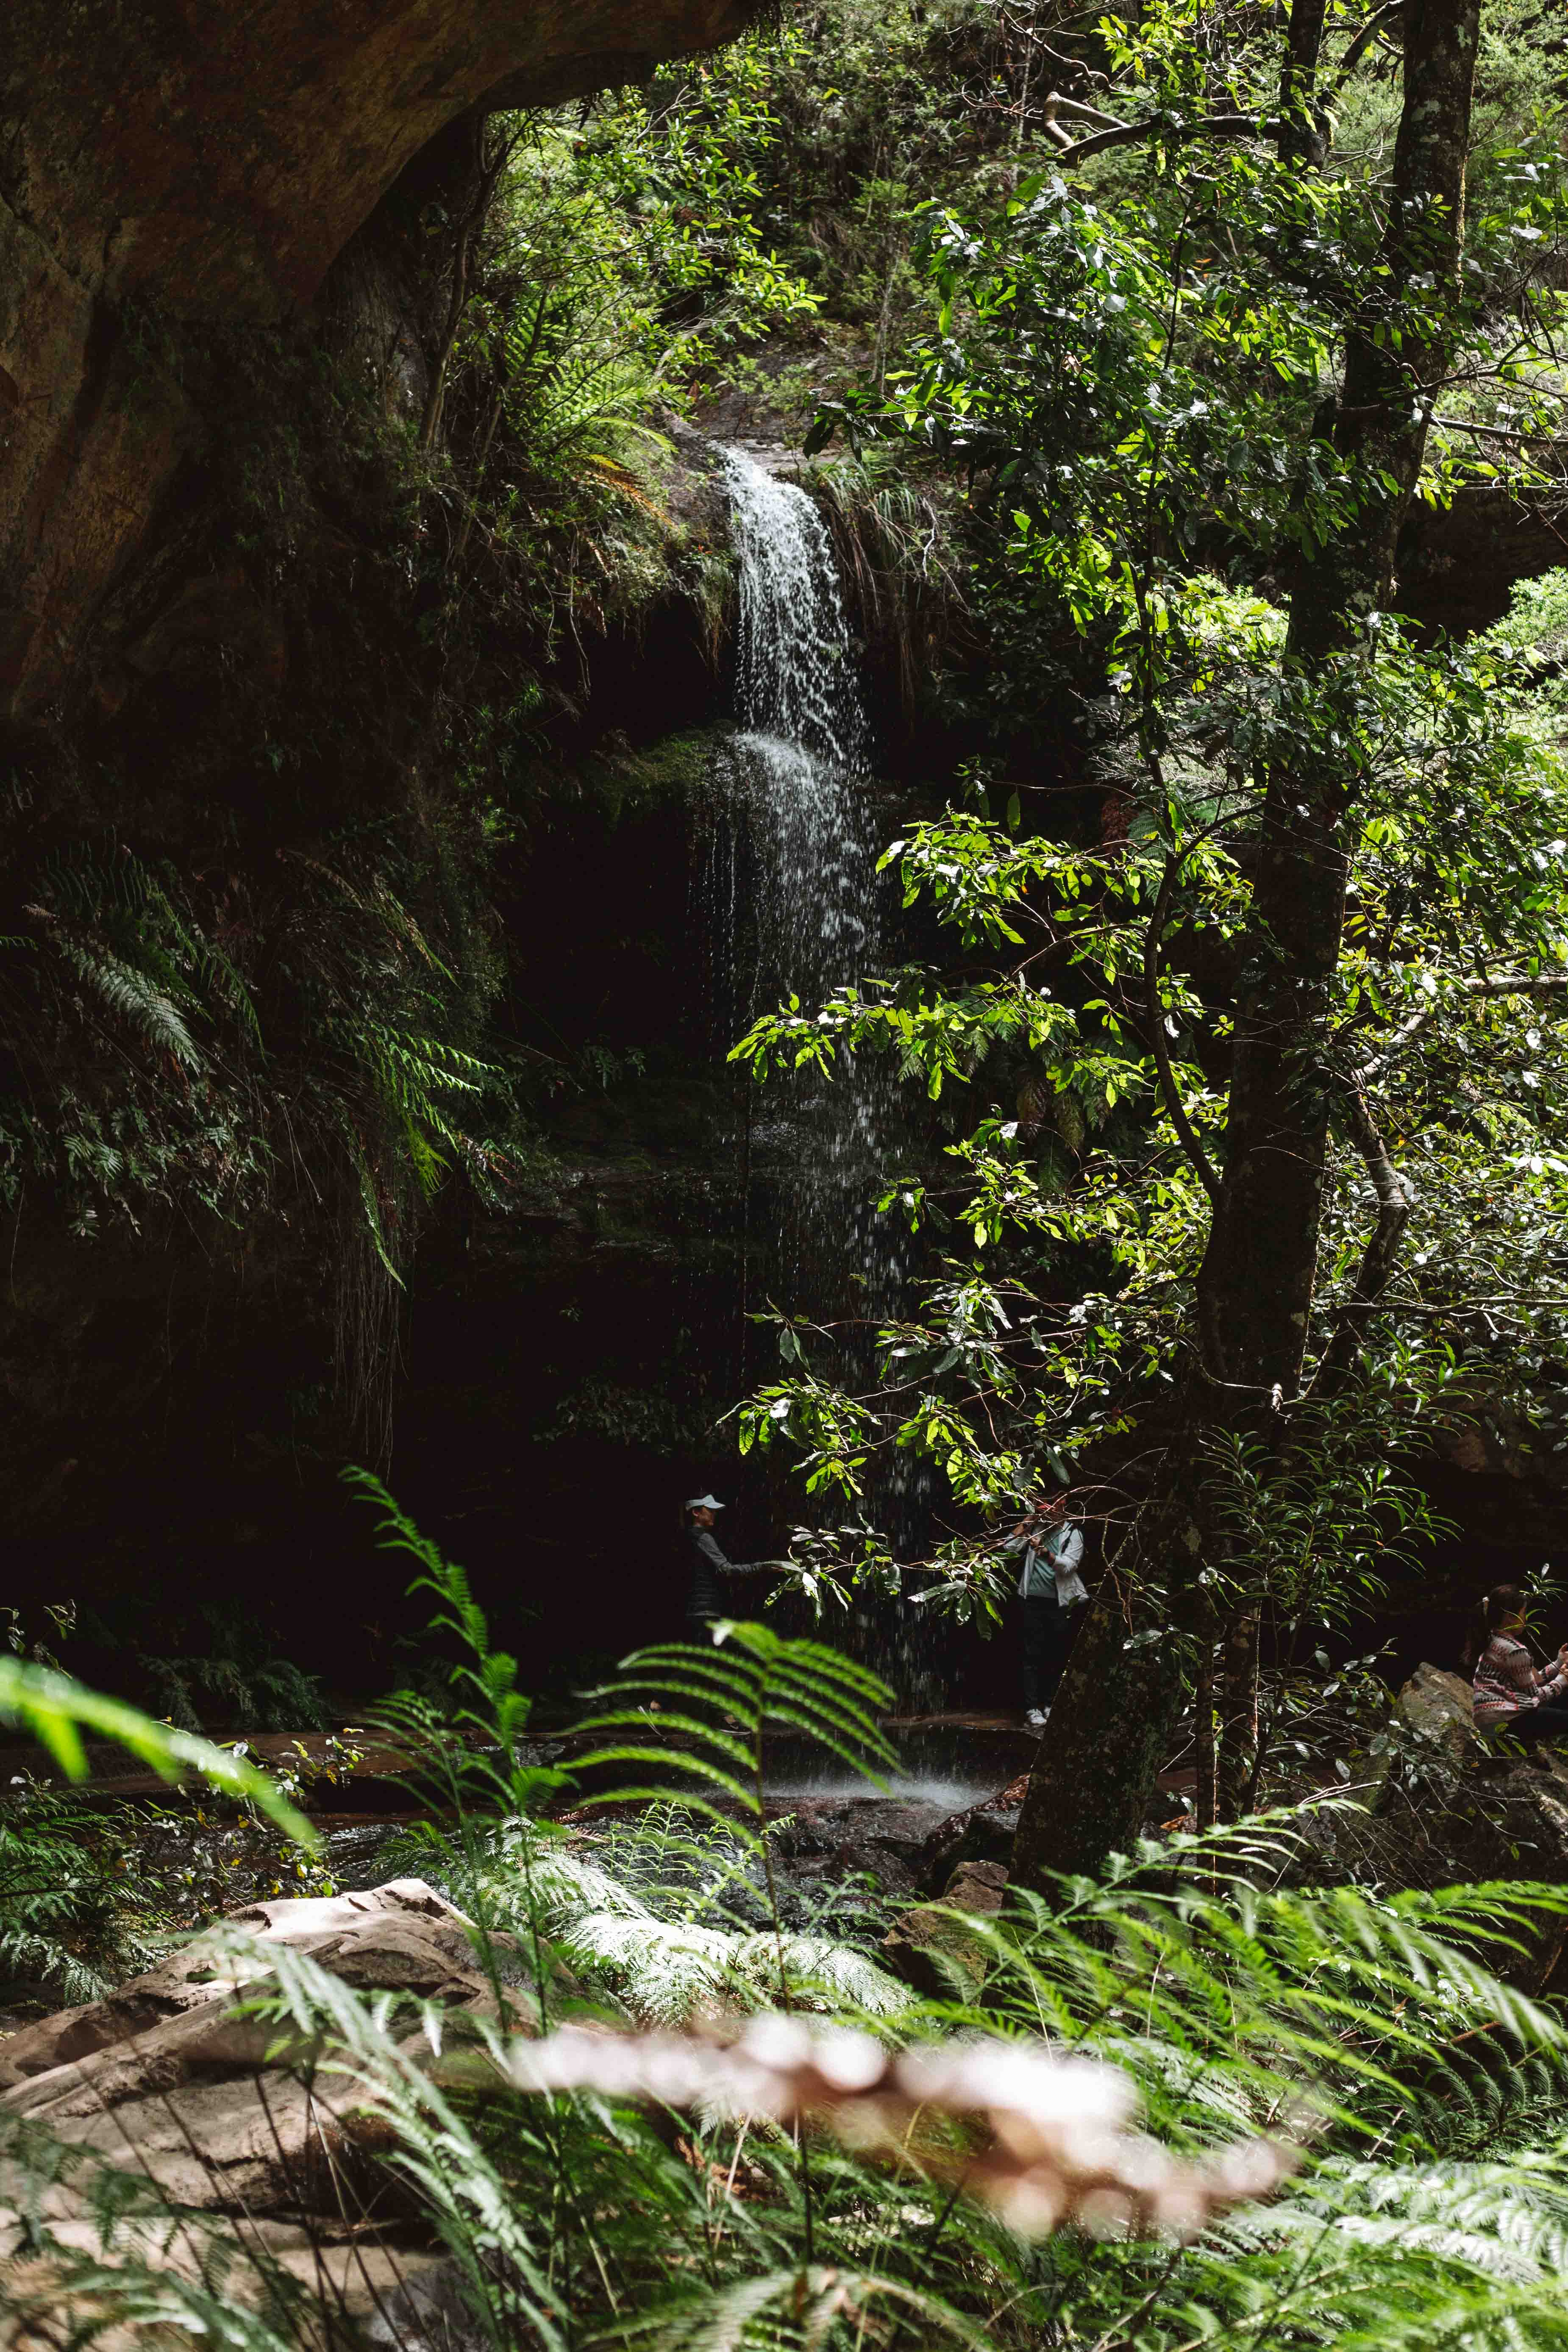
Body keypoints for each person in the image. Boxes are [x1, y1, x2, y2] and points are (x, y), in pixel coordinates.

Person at [1003, 1496, 1087, 1731]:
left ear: (1063, 1510)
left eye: (1054, 1509)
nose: (1050, 1513)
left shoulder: (1073, 1534)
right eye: (1045, 1509)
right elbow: (1009, 1547)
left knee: (1055, 1655)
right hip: (1031, 1601)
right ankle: (1032, 1708)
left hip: (1060, 1604)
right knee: (1032, 1655)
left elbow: (1069, 1566)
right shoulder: (1035, 1529)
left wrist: (1045, 1554)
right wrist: (1030, 1519)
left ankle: (1050, 1704)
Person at [1465, 1583, 1568, 1748]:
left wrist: (1558, 1663)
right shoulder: (1515, 1651)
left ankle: (1525, 1744)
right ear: (1510, 1618)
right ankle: (1521, 1741)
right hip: (1505, 1723)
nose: (1526, 1618)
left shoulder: (1493, 1640)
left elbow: (1529, 1681)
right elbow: (1535, 1697)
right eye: (1524, 1612)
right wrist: (1562, 1681)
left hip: (1488, 1723)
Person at [682, 1495, 782, 1628]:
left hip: (690, 1608)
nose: (714, 1514)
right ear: (696, 1512)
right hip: (705, 1611)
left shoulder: (685, 1537)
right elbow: (727, 1570)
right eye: (710, 1511)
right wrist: (764, 1567)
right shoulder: (703, 1538)